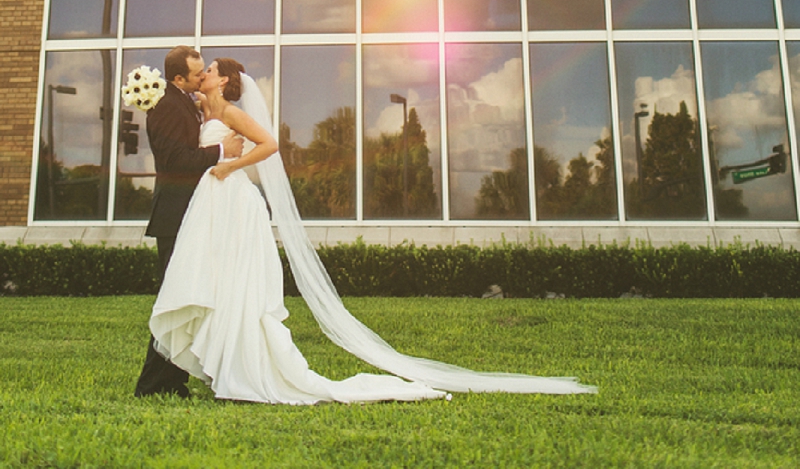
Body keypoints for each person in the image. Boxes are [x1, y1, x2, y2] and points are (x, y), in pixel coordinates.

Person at [148, 58, 597, 404]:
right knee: (223, 284)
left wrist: (231, 166)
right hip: (213, 207)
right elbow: (180, 127)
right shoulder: (203, 106)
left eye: (208, 70)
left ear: (223, 81)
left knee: (240, 285)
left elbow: (270, 145)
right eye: (200, 69)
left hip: (232, 198)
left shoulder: (230, 111)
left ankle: (242, 369)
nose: (203, 73)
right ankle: (221, 364)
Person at [134, 47, 243, 398]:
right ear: (178, 79)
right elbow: (173, 158)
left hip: (188, 213)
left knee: (184, 295)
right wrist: (222, 152)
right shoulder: (167, 104)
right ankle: (152, 384)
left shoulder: (185, 102)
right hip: (174, 215)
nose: (202, 78)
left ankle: (171, 380)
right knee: (173, 297)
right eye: (197, 74)